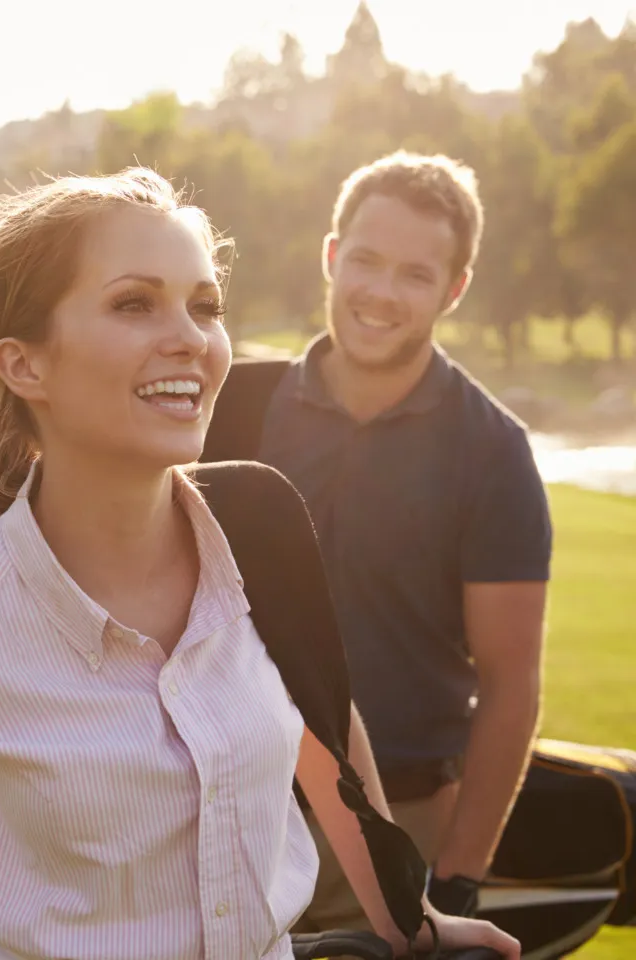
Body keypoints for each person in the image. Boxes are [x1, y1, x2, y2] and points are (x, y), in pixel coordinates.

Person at [0, 168, 519, 960]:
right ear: (24, 364)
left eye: (204, 305)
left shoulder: (263, 527)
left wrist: (411, 922)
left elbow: (322, 725)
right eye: (133, 303)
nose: (190, 336)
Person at [201, 151, 552, 929]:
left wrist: (455, 879)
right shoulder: (229, 408)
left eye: (416, 274)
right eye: (365, 261)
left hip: (395, 820)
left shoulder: (492, 450)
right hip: (216, 805)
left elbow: (510, 681)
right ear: (331, 256)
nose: (381, 293)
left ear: (454, 289)